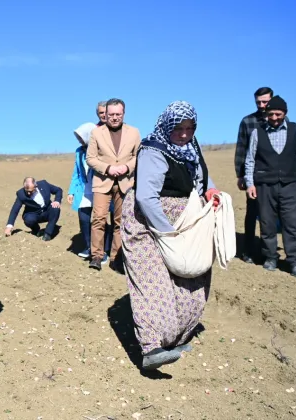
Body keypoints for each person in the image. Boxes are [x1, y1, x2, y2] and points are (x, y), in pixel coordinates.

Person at [121, 101, 221, 370]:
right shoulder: (154, 150)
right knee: (152, 281)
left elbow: (201, 174)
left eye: (190, 128)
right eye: (179, 129)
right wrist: (168, 233)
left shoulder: (191, 146)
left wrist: (209, 191)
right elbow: (146, 197)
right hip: (149, 223)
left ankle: (177, 339)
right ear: (167, 126)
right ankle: (152, 347)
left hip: (185, 220)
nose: (185, 134)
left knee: (189, 279)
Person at [245, 95, 296, 279]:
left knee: (292, 224)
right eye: (271, 114)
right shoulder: (258, 132)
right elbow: (250, 160)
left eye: (278, 114)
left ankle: (295, 262)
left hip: (290, 185)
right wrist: (250, 183)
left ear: (285, 113)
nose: (274, 118)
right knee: (267, 223)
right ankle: (270, 257)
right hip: (264, 185)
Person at [86, 98, 141, 271]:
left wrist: (126, 167)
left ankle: (116, 258)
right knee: (98, 218)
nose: (115, 117)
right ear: (106, 115)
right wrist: (108, 168)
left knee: (120, 221)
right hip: (103, 181)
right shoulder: (96, 133)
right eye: (111, 114)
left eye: (118, 114)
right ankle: (96, 256)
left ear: (124, 114)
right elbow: (91, 159)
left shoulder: (134, 132)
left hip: (125, 182)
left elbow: (138, 157)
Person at [235, 87, 274, 264]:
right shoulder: (248, 121)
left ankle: (268, 253)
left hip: (275, 176)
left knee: (272, 216)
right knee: (252, 214)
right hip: (253, 176)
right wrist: (240, 175)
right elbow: (241, 149)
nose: (261, 105)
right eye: (258, 102)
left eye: (265, 101)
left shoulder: (282, 121)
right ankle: (248, 251)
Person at [67, 122, 104, 258]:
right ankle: (89, 246)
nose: (79, 140)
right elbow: (76, 173)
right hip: (83, 189)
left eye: (80, 137)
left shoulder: (101, 150)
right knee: (83, 218)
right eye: (78, 137)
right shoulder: (79, 152)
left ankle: (102, 249)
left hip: (100, 189)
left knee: (99, 220)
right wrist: (71, 191)